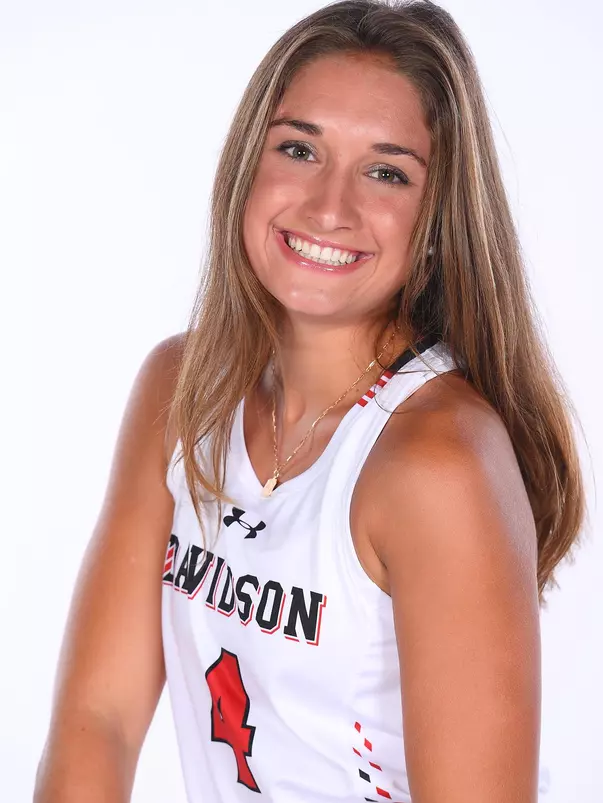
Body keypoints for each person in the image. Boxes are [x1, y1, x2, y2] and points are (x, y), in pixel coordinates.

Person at [34, 1, 586, 801]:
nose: (330, 206)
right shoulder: (181, 390)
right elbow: (101, 717)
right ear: (244, 169)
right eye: (299, 149)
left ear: (435, 222)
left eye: (385, 171)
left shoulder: (436, 460)